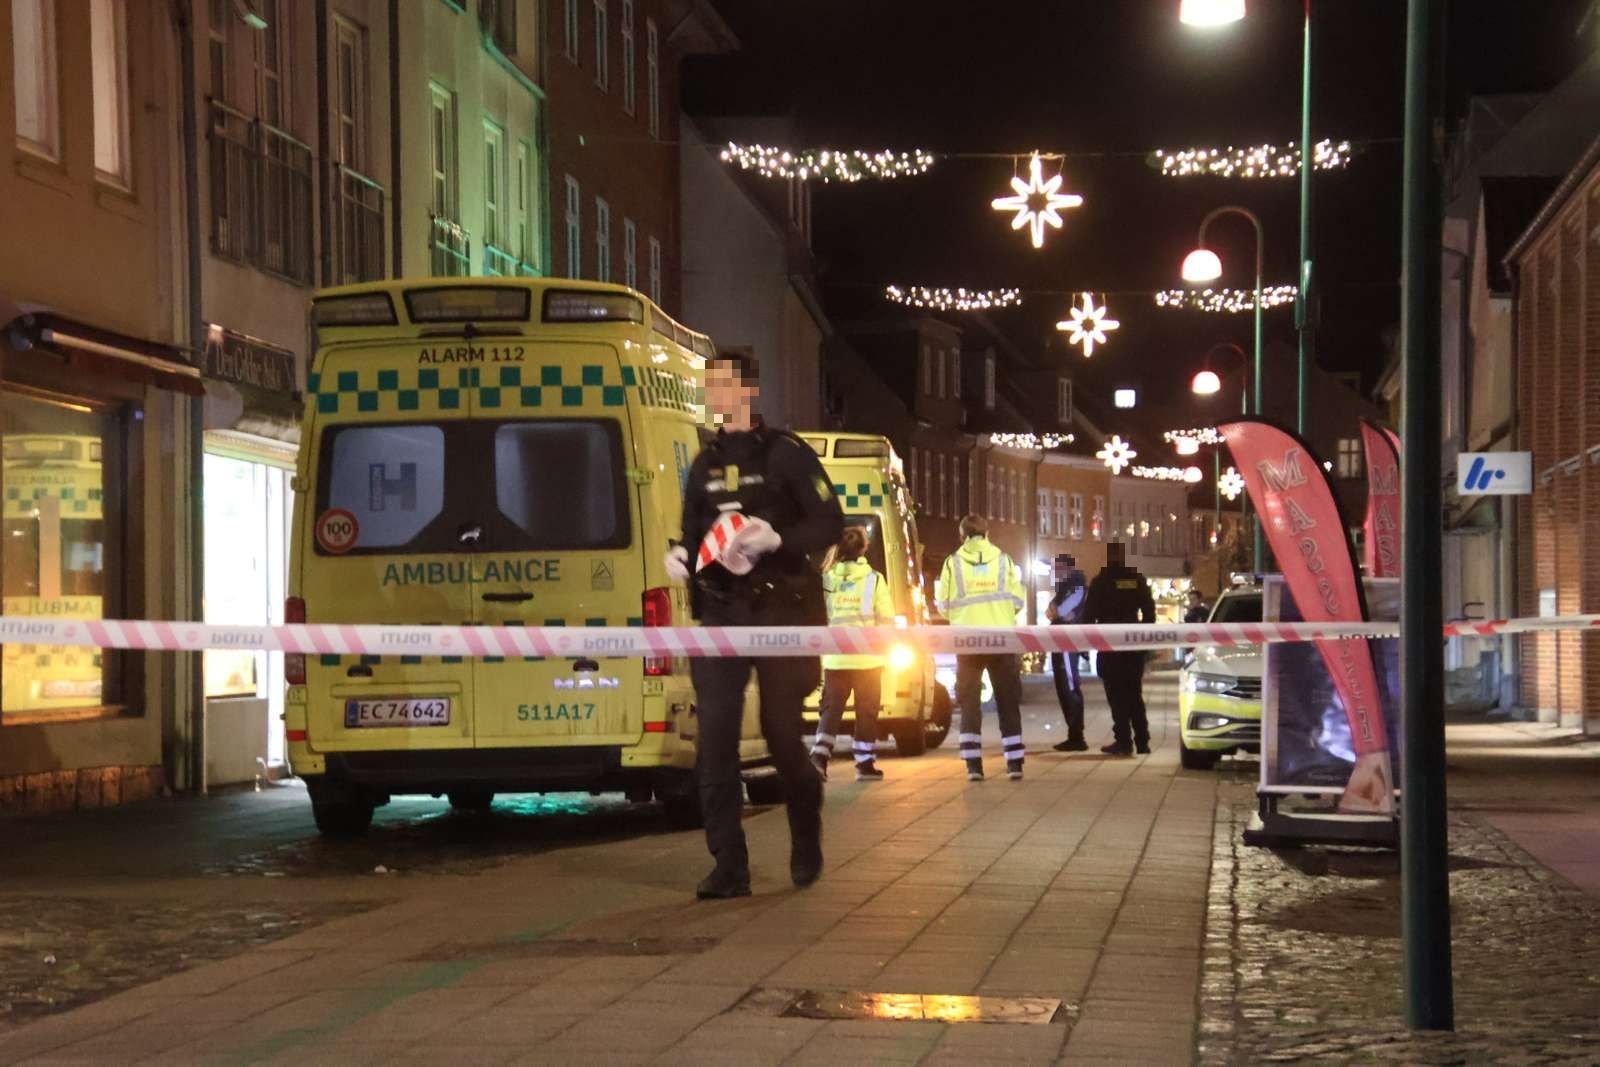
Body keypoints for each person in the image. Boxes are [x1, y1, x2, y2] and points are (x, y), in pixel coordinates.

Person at [665, 353, 844, 900]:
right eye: (708, 386)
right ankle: (729, 866)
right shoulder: (705, 463)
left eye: (722, 385)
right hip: (721, 612)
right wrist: (682, 555)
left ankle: (805, 828)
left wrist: (779, 540)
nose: (712, 396)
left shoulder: (785, 453)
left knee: (780, 733)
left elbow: (829, 521)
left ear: (747, 390)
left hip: (781, 611)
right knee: (714, 741)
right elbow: (691, 531)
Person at [935, 514, 1027, 782]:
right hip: (1001, 639)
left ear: (962, 536)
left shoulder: (951, 563)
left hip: (967, 641)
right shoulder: (1004, 560)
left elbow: (943, 606)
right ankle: (1014, 764)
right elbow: (1017, 601)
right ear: (987, 534)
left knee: (970, 705)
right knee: (1008, 702)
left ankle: (973, 765)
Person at [811, 527, 895, 782]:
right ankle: (864, 763)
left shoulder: (827, 578)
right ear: (864, 549)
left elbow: (818, 616)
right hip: (868, 658)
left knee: (831, 710)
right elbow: (886, 618)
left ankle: (819, 758)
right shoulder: (874, 580)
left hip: (836, 657)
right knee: (866, 711)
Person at [1082, 541, 1157, 757]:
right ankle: (1142, 741)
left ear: (1108, 557)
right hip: (1133, 646)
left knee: (1116, 696)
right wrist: (1143, 637)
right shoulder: (1136, 579)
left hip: (1109, 646)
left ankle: (1123, 741)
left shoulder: (1101, 582)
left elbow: (1089, 616)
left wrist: (1087, 644)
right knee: (1134, 694)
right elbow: (1149, 612)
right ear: (1123, 556)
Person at [1045, 553, 1089, 753]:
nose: (1053, 572)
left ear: (1067, 568)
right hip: (1059, 643)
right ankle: (1073, 735)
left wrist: (1057, 611)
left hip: (1067, 645)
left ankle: (1077, 736)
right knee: (1063, 689)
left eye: (1056, 568)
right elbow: (1050, 612)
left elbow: (1060, 612)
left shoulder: (1076, 587)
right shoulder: (1063, 589)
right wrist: (1057, 611)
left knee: (1070, 688)